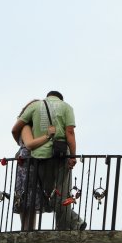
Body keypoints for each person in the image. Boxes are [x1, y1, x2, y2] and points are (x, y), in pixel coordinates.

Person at [11, 91, 86, 231]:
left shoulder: (35, 106)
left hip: (39, 158)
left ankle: (72, 223)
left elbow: (15, 129)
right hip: (61, 155)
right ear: (60, 98)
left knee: (48, 194)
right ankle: (65, 228)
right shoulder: (66, 107)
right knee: (61, 194)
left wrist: (20, 146)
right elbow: (70, 133)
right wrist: (73, 157)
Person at [12, 99, 56, 231]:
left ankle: (27, 230)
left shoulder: (27, 128)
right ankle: (27, 231)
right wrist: (48, 136)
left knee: (27, 200)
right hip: (28, 167)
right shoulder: (26, 127)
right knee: (28, 199)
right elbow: (30, 144)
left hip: (27, 166)